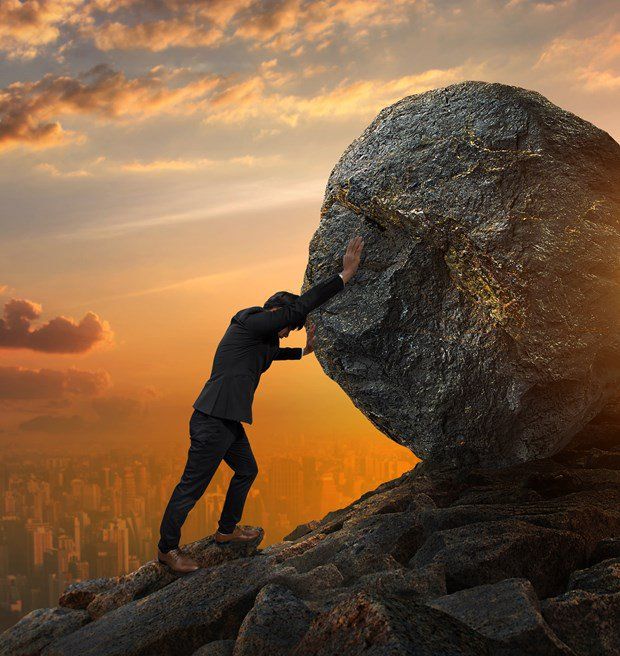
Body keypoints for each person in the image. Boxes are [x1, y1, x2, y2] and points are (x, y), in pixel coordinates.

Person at [157, 236, 365, 573]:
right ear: (275, 312)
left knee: (247, 469)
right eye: (287, 328)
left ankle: (226, 532)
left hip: (227, 421)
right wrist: (344, 275)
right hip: (212, 420)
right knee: (191, 489)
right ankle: (167, 550)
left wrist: (301, 352)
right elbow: (298, 309)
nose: (286, 333)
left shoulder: (259, 341)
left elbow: (272, 353)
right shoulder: (249, 321)